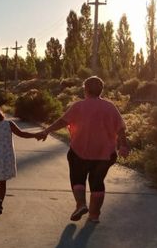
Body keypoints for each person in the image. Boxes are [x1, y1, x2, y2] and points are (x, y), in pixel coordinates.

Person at [41, 76, 130, 223]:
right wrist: (124, 146)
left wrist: (47, 130)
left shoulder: (79, 106)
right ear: (101, 90)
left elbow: (63, 121)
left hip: (79, 151)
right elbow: (120, 129)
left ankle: (81, 204)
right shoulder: (110, 107)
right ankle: (94, 216)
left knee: (78, 178)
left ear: (85, 89)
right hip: (104, 154)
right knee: (97, 182)